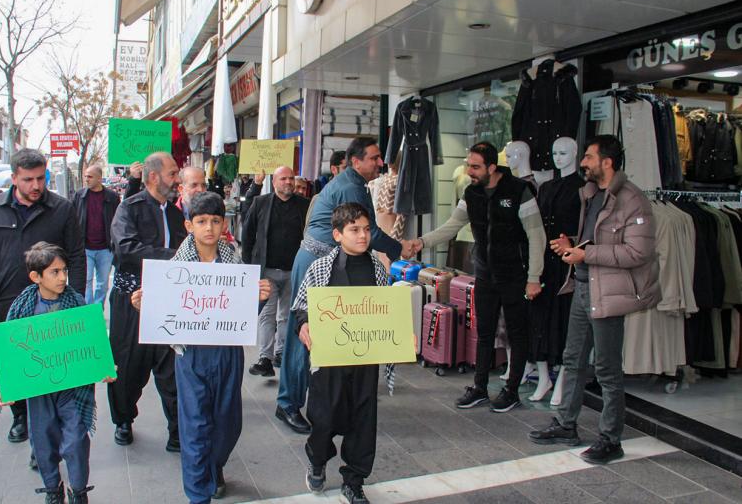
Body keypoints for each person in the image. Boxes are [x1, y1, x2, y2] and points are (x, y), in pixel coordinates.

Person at [130, 192, 270, 504]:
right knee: (195, 424)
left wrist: (259, 299)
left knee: (228, 423)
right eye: (202, 221)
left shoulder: (234, 262)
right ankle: (198, 494)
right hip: (191, 354)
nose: (209, 228)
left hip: (227, 353)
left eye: (216, 221)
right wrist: (144, 305)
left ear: (224, 225)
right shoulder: (175, 269)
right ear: (189, 225)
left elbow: (244, 314)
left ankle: (212, 466)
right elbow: (163, 311)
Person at [528, 135, 661, 464]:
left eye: (588, 157)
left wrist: (585, 254)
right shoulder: (591, 194)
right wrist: (572, 244)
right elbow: (594, 240)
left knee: (607, 369)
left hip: (609, 293)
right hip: (584, 287)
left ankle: (611, 439)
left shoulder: (633, 201)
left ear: (607, 162)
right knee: (572, 359)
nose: (583, 163)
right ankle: (566, 424)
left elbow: (638, 252)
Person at [276, 137, 412, 434]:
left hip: (328, 261)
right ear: (356, 161)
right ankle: (288, 403)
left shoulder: (355, 183)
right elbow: (368, 232)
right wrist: (399, 247)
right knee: (304, 332)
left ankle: (320, 399)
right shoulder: (351, 187)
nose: (380, 163)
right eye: (374, 158)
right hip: (316, 263)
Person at [408, 141, 546, 413]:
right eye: (468, 165)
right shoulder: (471, 193)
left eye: (475, 166)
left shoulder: (519, 190)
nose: (469, 171)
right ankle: (480, 388)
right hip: (485, 274)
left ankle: (511, 391)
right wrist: (421, 242)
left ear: (492, 167)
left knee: (517, 334)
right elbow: (452, 226)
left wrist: (533, 277)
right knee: (484, 332)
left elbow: (536, 236)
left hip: (515, 275)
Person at [0, 148, 86, 446]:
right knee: (13, 366)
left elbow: (76, 256)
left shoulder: (61, 208)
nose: (36, 185)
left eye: (41, 178)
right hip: (8, 301)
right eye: (28, 179)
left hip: (52, 302)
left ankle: (51, 422)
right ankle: (21, 416)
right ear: (14, 178)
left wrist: (77, 303)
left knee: (51, 364)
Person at [0, 242, 114, 504]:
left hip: (73, 389)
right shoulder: (22, 308)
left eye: (64, 270)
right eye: (54, 272)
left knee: (76, 440)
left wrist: (103, 366)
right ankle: (53, 489)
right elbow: (10, 353)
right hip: (40, 390)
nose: (62, 277)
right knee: (43, 441)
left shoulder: (76, 303)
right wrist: (5, 386)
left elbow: (91, 342)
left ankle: (78, 490)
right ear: (36, 276)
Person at [293, 203, 389, 504]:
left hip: (365, 360)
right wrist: (304, 324)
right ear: (337, 234)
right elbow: (301, 306)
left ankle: (354, 480)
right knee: (323, 417)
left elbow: (387, 312)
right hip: (330, 360)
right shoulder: (321, 268)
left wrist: (399, 333)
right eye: (354, 230)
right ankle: (317, 460)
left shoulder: (378, 269)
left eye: (366, 229)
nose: (362, 236)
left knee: (363, 419)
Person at [108, 152, 186, 451]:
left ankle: (177, 430)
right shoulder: (129, 208)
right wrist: (174, 258)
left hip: (168, 300)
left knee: (171, 367)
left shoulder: (176, 214)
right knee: (129, 365)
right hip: (131, 301)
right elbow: (126, 249)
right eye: (172, 173)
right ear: (153, 176)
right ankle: (123, 420)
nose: (177, 179)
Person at [241, 166, 309, 376]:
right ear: (274, 182)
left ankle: (281, 353)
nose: (288, 182)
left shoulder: (304, 205)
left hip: (294, 271)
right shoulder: (261, 203)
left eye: (291, 178)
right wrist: (249, 264)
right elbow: (248, 233)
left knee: (287, 315)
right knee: (267, 315)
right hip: (267, 270)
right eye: (283, 178)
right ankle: (265, 358)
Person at [72, 165, 120, 309]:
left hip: (105, 248)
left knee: (102, 283)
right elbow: (72, 218)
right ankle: (89, 311)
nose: (86, 179)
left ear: (99, 178)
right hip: (85, 248)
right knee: (86, 281)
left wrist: (114, 243)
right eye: (85, 176)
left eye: (90, 176)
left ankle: (98, 310)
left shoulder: (112, 197)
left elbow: (118, 220)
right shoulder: (79, 195)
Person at [176, 166, 235, 244]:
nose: (200, 190)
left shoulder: (214, 210)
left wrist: (224, 244)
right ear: (181, 189)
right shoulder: (171, 214)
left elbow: (229, 241)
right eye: (194, 185)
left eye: (203, 185)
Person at [305, 150, 347, 226]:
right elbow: (310, 228)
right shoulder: (320, 197)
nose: (350, 172)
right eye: (345, 168)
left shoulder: (356, 191)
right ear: (334, 169)